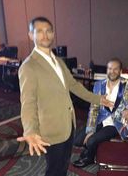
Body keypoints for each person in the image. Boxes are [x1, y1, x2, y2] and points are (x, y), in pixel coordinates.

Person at [17, 16, 113, 176]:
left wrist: (98, 99)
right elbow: (28, 102)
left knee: (62, 167)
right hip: (51, 129)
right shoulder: (29, 67)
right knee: (54, 170)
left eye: (48, 31)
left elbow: (73, 86)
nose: (45, 35)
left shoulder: (59, 61)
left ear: (53, 34)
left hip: (68, 125)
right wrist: (30, 131)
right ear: (30, 35)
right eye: (39, 31)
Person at [72, 58, 128, 168]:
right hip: (100, 118)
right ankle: (92, 145)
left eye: (115, 69)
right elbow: (94, 109)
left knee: (91, 141)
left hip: (117, 123)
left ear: (120, 71)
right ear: (106, 70)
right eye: (109, 68)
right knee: (78, 140)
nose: (112, 71)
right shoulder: (99, 85)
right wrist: (91, 130)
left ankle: (89, 158)